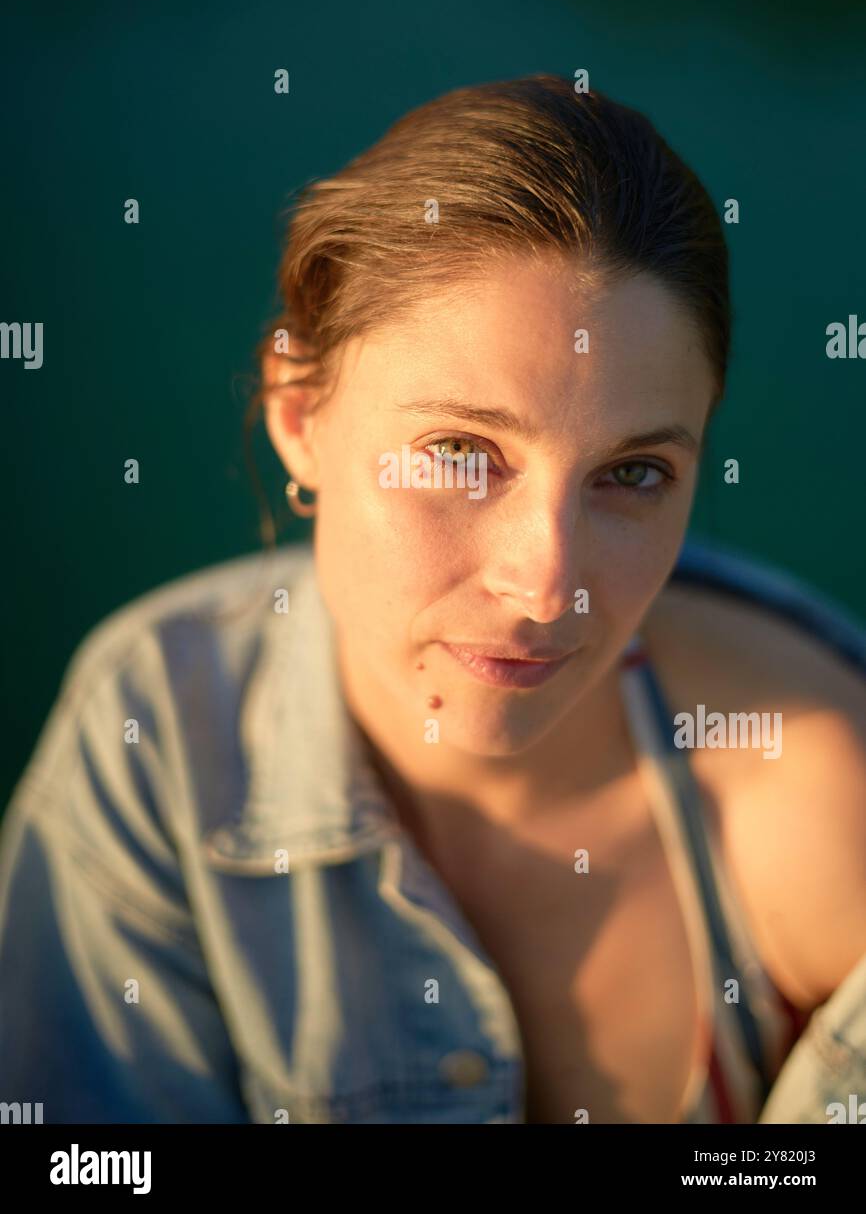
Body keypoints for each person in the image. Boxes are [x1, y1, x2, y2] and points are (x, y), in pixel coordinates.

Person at [1, 74, 865, 1124]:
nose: (545, 582)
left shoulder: (815, 814)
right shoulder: (159, 739)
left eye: (631, 473)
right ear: (300, 413)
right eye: (460, 453)